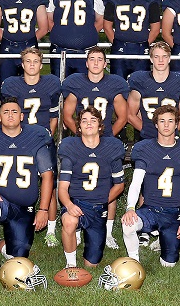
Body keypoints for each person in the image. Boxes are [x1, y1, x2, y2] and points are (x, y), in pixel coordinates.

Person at [0, 97, 54, 280]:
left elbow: (47, 175)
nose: (10, 115)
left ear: (22, 116)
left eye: (14, 112)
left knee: (19, 257)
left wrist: (43, 209)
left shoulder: (35, 138)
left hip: (24, 207)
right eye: (6, 112)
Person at [61, 46, 129, 248]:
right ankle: (77, 223)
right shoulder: (76, 83)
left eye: (100, 59)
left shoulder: (114, 84)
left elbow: (123, 116)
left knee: (109, 183)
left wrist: (107, 136)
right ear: (86, 63)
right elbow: (67, 115)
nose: (96, 63)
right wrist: (80, 134)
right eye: (92, 59)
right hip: (82, 139)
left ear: (105, 64)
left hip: (104, 139)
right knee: (77, 180)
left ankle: (107, 231)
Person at [121, 105, 180, 267]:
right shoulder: (145, 149)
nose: (166, 125)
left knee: (168, 264)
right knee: (128, 225)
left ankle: (162, 237)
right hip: (150, 209)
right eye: (162, 121)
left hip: (173, 213)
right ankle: (134, 262)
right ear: (156, 124)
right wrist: (130, 208)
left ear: (176, 124)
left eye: (170, 121)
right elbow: (136, 182)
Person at [0, 47, 61, 246]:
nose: (32, 65)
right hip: (19, 141)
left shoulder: (50, 84)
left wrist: (47, 136)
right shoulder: (12, 85)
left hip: (42, 142)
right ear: (22, 64)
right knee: (14, 182)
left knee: (49, 184)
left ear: (41, 65)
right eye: (28, 61)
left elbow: (53, 116)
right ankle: (13, 221)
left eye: (35, 61)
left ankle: (51, 229)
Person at [58, 107, 125, 268]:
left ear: (100, 126)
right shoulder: (71, 148)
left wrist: (103, 201)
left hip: (98, 209)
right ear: (79, 127)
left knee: (92, 264)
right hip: (77, 203)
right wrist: (69, 205)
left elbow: (119, 185)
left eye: (93, 120)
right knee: (69, 220)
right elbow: (62, 188)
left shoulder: (111, 148)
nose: (89, 123)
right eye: (84, 121)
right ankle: (71, 264)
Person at [45, 0, 106, 77]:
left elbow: (100, 20)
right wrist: (61, 35)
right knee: (59, 86)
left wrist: (86, 34)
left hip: (86, 51)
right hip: (60, 50)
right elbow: (49, 19)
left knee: (84, 87)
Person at [102, 0, 162, 79]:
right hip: (120, 46)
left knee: (140, 85)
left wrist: (144, 44)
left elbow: (155, 28)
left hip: (141, 47)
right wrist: (117, 44)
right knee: (118, 84)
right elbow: (107, 25)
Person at [127, 41, 180, 140]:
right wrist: (146, 131)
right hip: (146, 138)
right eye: (156, 56)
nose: (160, 60)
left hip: (170, 139)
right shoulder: (140, 81)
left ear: (169, 58)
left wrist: (169, 132)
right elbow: (130, 115)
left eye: (164, 56)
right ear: (151, 59)